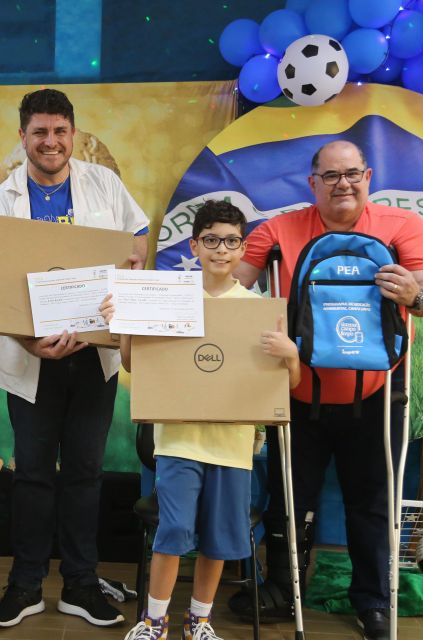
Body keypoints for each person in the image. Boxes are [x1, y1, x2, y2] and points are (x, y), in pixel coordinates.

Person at [229, 140, 423, 640]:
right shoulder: (279, 231)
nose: (343, 183)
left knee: (371, 501)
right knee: (288, 498)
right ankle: (285, 588)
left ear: (368, 176)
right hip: (298, 394)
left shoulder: (402, 229)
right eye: (331, 176)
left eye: (352, 174)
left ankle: (371, 601)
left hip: (375, 394)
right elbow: (231, 285)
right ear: (313, 183)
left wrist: (414, 292)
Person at [0, 88, 150, 629]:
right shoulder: (2, 201)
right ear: (22, 137)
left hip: (93, 358)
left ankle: (78, 584)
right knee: (31, 474)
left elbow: (138, 242)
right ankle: (24, 585)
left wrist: (128, 275)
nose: (50, 142)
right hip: (31, 358)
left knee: (85, 473)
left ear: (73, 134)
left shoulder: (104, 185)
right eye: (39, 132)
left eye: (59, 131)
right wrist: (30, 341)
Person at [100, 201, 301, 640]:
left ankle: (199, 621)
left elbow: (285, 384)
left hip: (233, 445)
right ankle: (154, 621)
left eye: (231, 241)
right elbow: (137, 366)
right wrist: (125, 329)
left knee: (219, 537)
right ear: (195, 245)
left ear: (243, 247)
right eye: (211, 240)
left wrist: (292, 356)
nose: (221, 249)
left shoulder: (257, 307)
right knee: (172, 531)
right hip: (178, 442)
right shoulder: (170, 298)